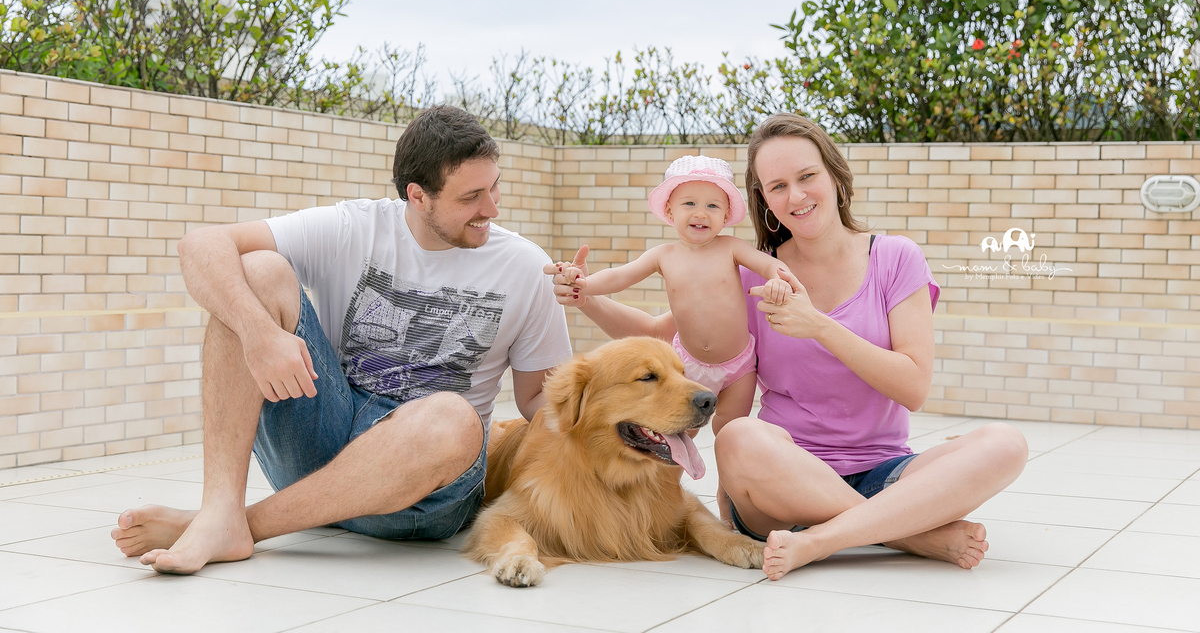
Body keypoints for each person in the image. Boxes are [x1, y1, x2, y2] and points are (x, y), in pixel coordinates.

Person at [546, 114, 1028, 580]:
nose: (795, 195)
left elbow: (914, 387)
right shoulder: (750, 272)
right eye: (777, 186)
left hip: (886, 471)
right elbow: (658, 334)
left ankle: (825, 538)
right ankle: (909, 534)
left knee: (1006, 444)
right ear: (764, 200)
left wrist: (817, 325)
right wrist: (584, 296)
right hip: (782, 479)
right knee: (737, 436)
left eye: (806, 176)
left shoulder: (895, 258)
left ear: (835, 176)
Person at [112, 106, 573, 574]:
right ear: (418, 196)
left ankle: (233, 525)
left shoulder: (526, 268)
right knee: (257, 273)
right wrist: (259, 335)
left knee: (453, 416)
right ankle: (219, 508)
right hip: (323, 444)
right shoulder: (355, 227)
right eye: (472, 196)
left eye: (494, 187)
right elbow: (200, 246)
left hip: (425, 495)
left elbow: (540, 398)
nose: (491, 209)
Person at [561, 155, 791, 438]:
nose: (701, 213)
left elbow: (768, 263)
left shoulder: (731, 248)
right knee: (678, 430)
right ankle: (672, 479)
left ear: (726, 214)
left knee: (731, 431)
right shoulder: (663, 255)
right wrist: (585, 284)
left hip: (738, 366)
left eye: (712, 206)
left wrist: (779, 279)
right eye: (689, 204)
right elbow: (620, 276)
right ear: (670, 212)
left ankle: (727, 484)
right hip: (687, 364)